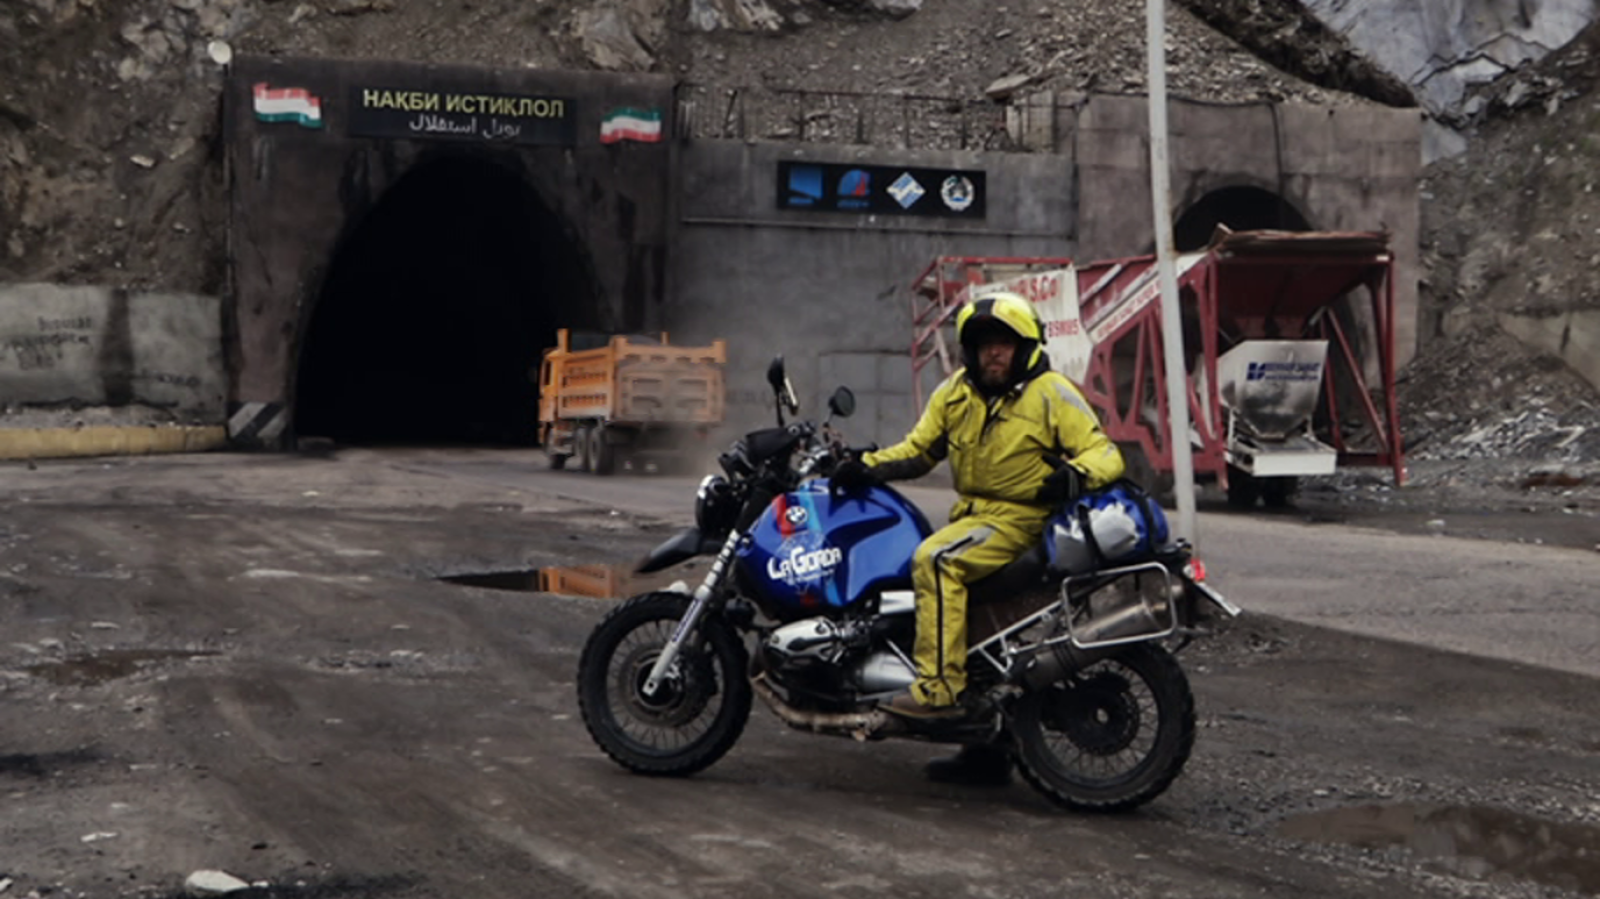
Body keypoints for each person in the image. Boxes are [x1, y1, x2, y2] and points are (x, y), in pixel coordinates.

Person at [830, 291, 1125, 783]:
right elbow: (918, 451)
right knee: (932, 584)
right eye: (984, 343)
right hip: (973, 517)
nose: (994, 352)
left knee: (937, 561)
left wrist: (1075, 475)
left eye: (1004, 343)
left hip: (1023, 519)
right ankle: (986, 750)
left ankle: (939, 691)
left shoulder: (1051, 392)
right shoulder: (955, 393)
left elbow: (1105, 453)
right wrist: (864, 467)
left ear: (1025, 346)